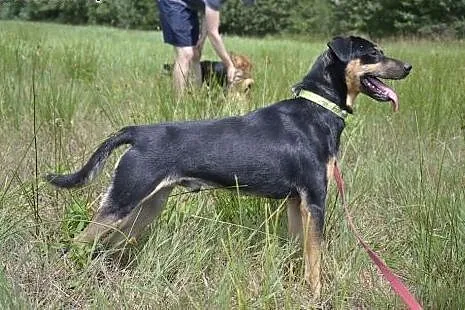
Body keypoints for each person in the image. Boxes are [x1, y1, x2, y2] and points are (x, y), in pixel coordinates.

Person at [157, 0, 255, 95]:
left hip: (189, 6)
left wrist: (202, 39)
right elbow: (213, 33)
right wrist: (229, 64)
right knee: (186, 53)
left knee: (196, 54)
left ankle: (195, 99)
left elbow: (206, 11)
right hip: (172, 3)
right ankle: (178, 104)